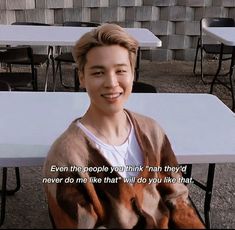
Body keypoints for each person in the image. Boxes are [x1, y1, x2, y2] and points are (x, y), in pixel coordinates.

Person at [43, 23, 205, 229]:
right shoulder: (65, 158)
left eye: (120, 70)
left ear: (132, 74)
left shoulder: (152, 131)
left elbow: (177, 196)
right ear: (81, 77)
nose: (111, 82)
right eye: (98, 73)